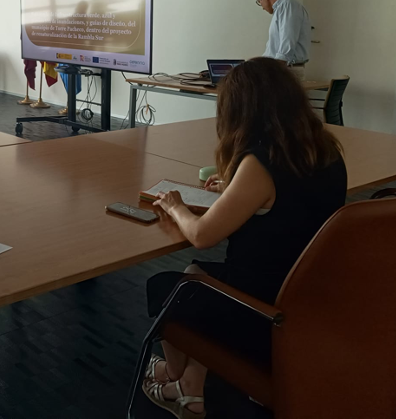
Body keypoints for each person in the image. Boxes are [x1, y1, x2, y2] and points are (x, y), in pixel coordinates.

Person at [141, 57, 346, 418]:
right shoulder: (325, 149)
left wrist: (175, 207)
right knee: (193, 274)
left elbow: (202, 235)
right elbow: (289, 197)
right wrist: (236, 188)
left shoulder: (261, 162)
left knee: (163, 287)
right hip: (307, 294)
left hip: (261, 309)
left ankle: (176, 378)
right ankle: (192, 385)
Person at [252, 0, 311, 80]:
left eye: (259, 1)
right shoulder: (283, 8)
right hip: (281, 68)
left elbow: (288, 40)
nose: (261, 6)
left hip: (284, 70)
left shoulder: (287, 5)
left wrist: (276, 69)